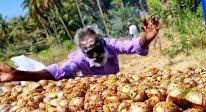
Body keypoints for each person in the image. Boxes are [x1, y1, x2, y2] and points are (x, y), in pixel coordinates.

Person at [0, 16, 159, 82]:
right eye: (90, 52)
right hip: (93, 92)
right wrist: (19, 74)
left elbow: (133, 45)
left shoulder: (110, 44)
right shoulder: (79, 58)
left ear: (102, 43)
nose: (96, 54)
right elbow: (56, 72)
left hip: (115, 84)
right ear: (83, 52)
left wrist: (147, 37)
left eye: (97, 48)